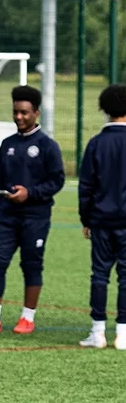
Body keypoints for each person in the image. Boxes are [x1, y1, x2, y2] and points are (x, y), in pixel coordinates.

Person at [0, 86, 65, 335]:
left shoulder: (47, 146)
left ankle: (28, 318)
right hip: (6, 215)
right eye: (16, 112)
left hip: (35, 216)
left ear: (36, 113)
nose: (19, 117)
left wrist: (30, 193)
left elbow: (57, 181)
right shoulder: (8, 144)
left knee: (31, 264)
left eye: (24, 112)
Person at [78, 83, 126, 351]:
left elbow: (86, 187)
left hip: (101, 220)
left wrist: (87, 219)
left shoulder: (96, 144)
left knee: (100, 275)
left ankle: (98, 332)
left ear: (104, 109)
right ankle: (123, 333)